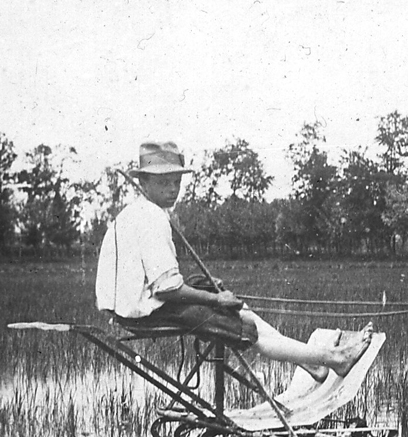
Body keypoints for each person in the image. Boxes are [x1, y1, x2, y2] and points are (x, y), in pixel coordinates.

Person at [96, 141, 372, 380]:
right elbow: (166, 289)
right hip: (147, 313)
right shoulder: (152, 218)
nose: (172, 190)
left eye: (176, 182)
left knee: (223, 297)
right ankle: (336, 359)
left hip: (130, 310)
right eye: (163, 182)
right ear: (143, 183)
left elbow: (154, 281)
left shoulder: (132, 214)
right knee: (244, 325)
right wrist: (216, 301)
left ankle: (311, 362)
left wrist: (211, 293)